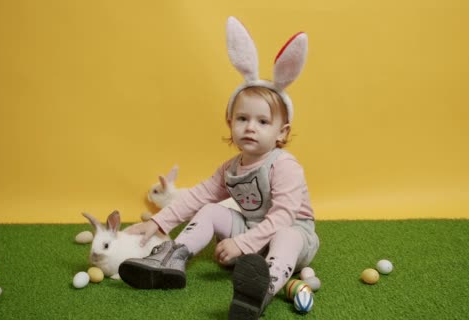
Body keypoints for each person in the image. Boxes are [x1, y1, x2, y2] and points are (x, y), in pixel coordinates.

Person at [119, 16, 319, 320]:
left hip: (292, 235)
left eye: (263, 121)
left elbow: (282, 215)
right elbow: (198, 196)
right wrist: (158, 223)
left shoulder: (285, 165)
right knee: (211, 210)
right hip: (251, 233)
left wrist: (242, 243)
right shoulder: (231, 167)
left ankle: (262, 288)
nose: (250, 127)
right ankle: (171, 259)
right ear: (230, 122)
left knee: (287, 236)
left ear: (282, 132)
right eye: (242, 119)